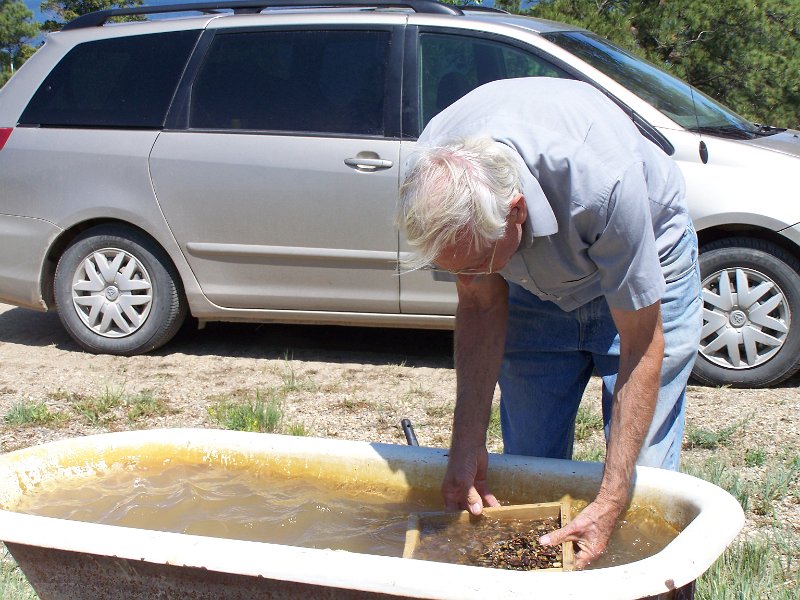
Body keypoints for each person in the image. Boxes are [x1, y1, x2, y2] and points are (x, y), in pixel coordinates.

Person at [397, 77, 702, 568]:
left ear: (516, 210)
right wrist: (466, 447)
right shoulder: (438, 179)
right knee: (532, 463)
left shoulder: (602, 181)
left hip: (643, 260)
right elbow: (478, 303)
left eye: (474, 264)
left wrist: (609, 500)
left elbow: (642, 344)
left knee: (642, 479)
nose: (466, 279)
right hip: (531, 286)